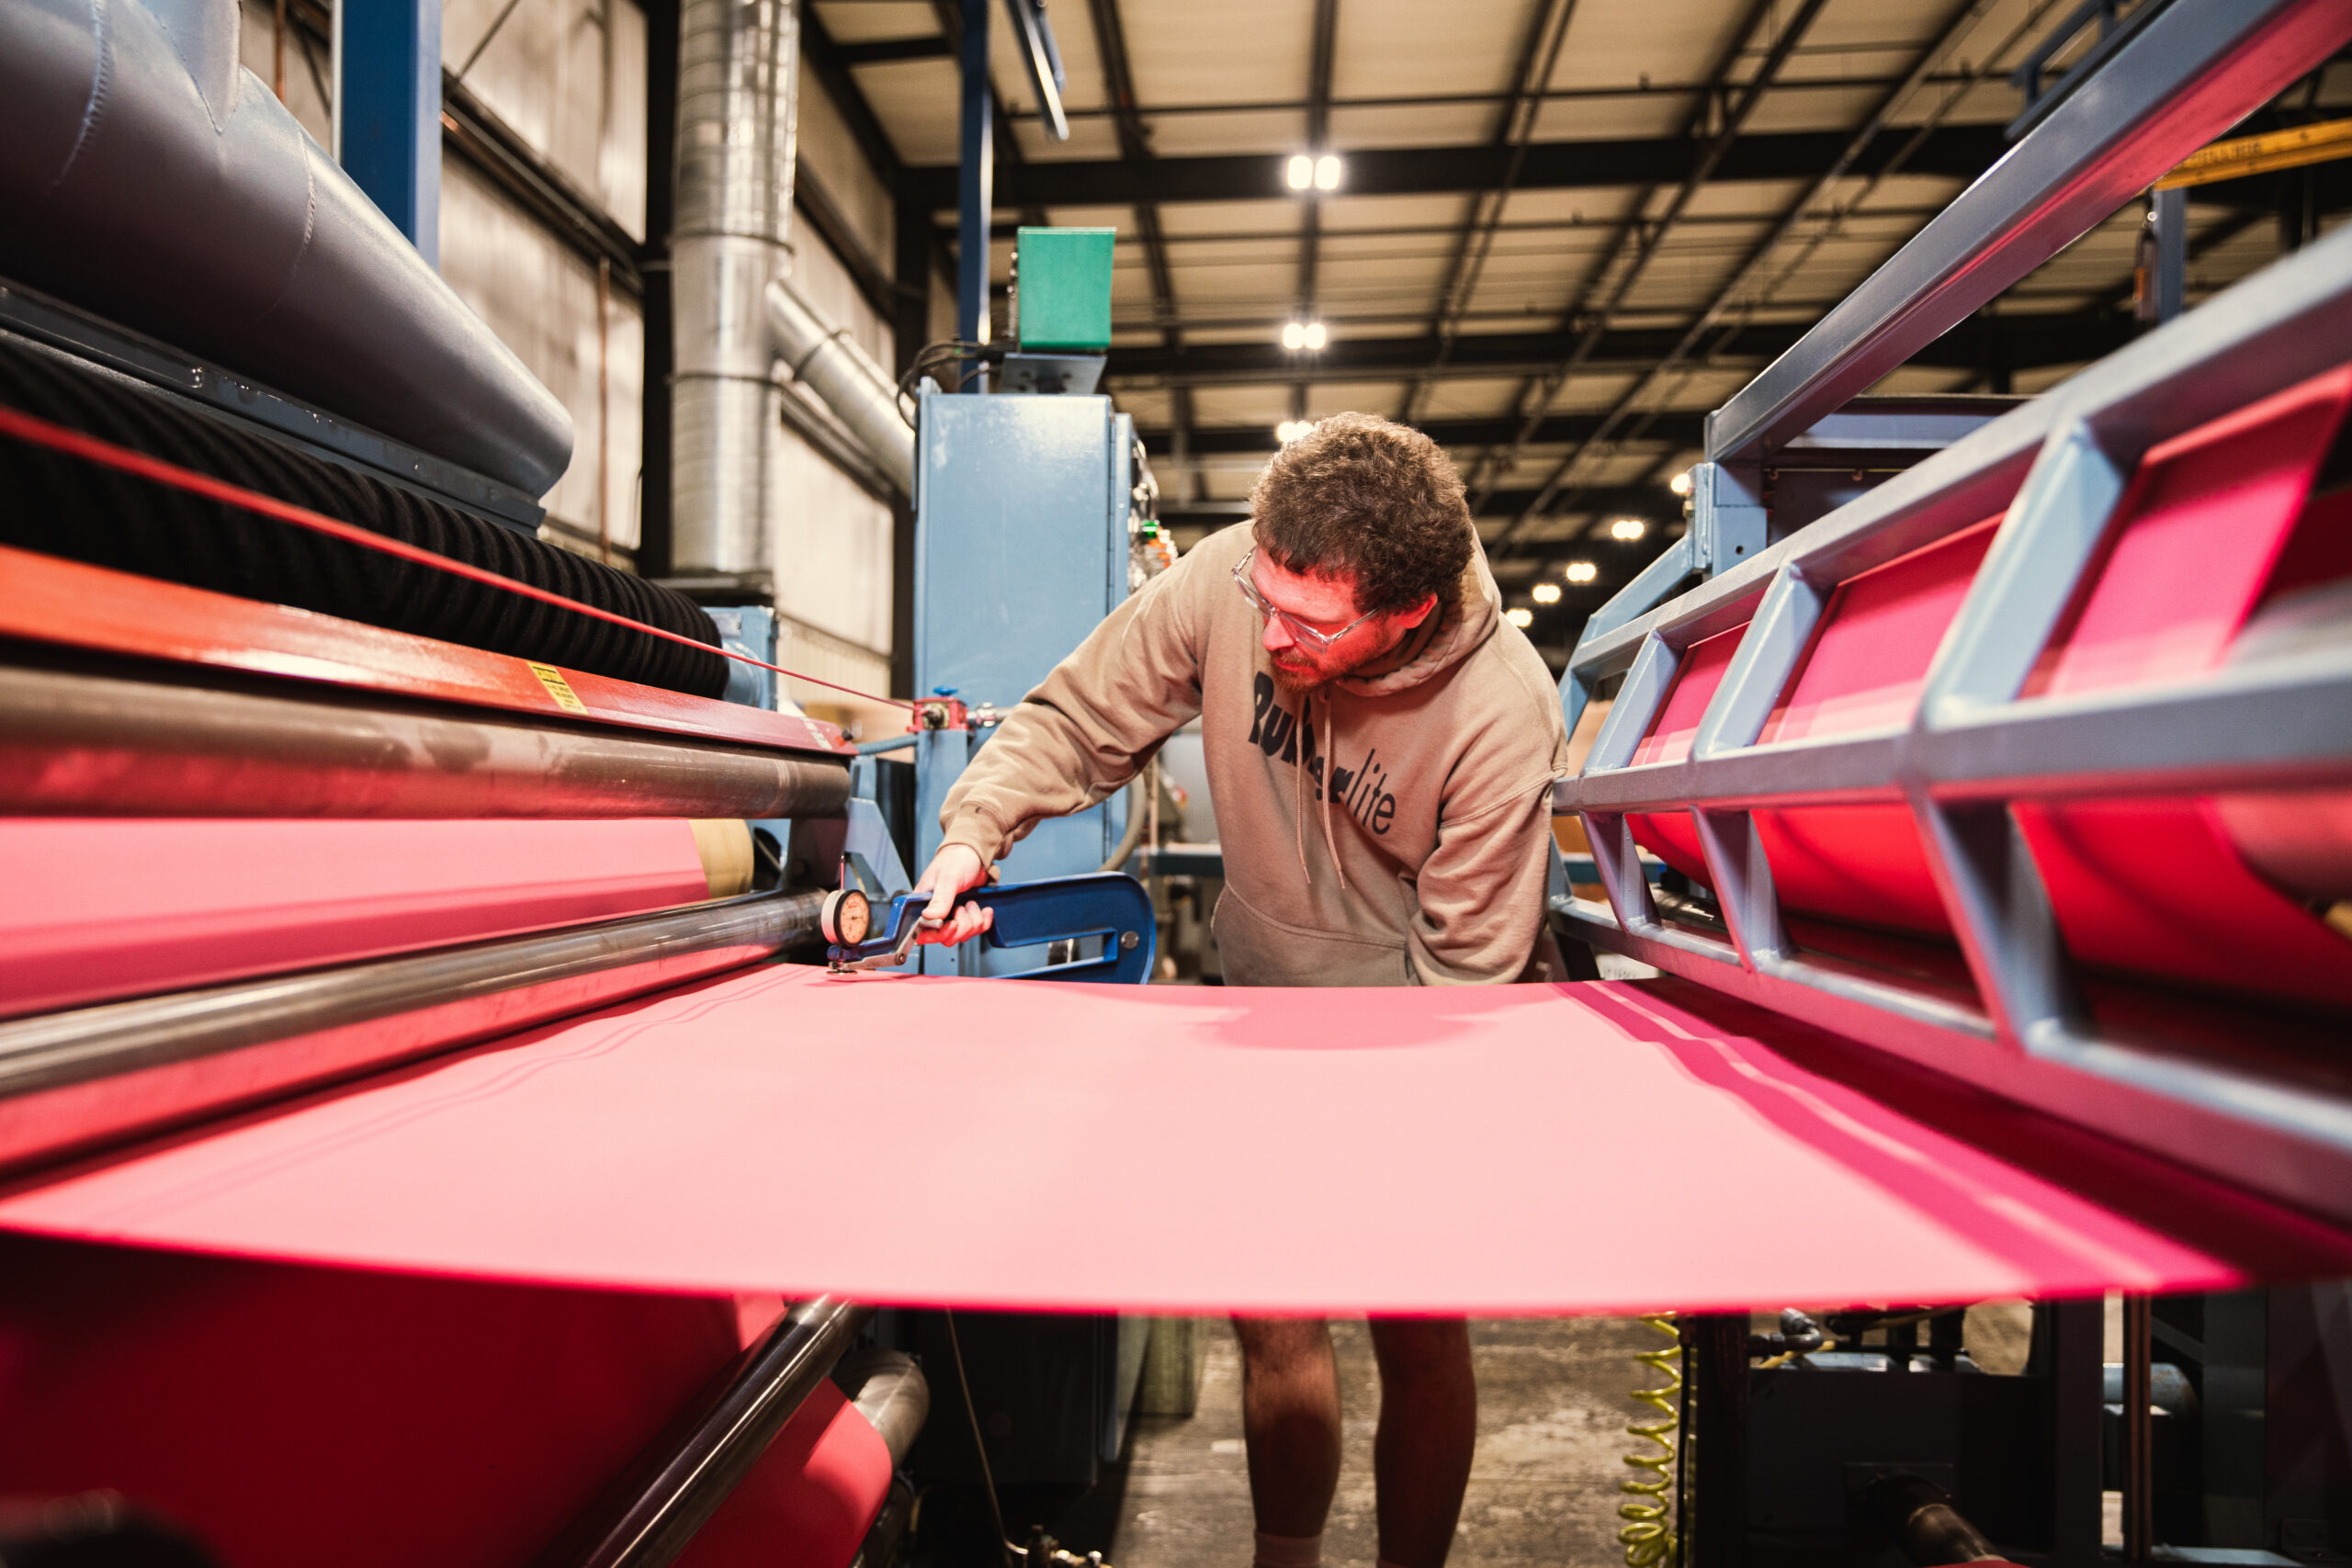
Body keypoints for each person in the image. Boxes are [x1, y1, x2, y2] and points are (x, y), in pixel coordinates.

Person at [913, 412, 1571, 1568]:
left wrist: (1381, 1145)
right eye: (1261, 597)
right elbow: (1079, 717)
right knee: (1272, 1309)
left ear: (1404, 612)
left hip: (1418, 1041)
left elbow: (1464, 977)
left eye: (1308, 623)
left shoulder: (1500, 713)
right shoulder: (1233, 579)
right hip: (1264, 1019)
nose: (1268, 636)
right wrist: (974, 835)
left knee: (1416, 1335)